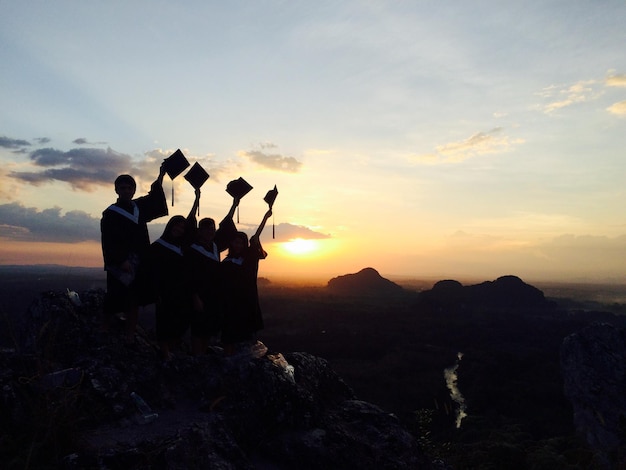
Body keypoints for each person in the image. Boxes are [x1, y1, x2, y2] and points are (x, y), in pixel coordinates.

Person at [100, 164, 168, 342]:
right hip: (120, 263)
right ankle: (104, 329)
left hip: (140, 261)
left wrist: (161, 175)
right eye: (122, 188)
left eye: (129, 188)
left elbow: (154, 198)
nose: (126, 190)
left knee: (134, 300)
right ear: (116, 190)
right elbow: (108, 239)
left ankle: (130, 335)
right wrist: (120, 260)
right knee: (114, 297)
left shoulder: (139, 208)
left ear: (133, 190)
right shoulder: (110, 213)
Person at [185, 189, 240, 355]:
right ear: (199, 231)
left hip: (213, 294)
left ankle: (203, 353)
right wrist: (195, 297)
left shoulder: (215, 246)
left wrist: (234, 204)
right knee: (198, 326)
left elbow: (227, 225)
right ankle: (196, 356)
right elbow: (189, 275)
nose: (210, 231)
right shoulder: (192, 249)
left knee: (208, 325)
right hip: (198, 294)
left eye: (212, 229)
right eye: (206, 229)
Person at [220, 208, 273, 356]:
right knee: (228, 334)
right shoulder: (226, 261)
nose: (238, 245)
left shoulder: (248, 258)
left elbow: (255, 238)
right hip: (229, 302)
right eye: (235, 242)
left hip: (246, 301)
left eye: (241, 243)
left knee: (244, 333)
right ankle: (228, 359)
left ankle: (244, 361)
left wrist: (265, 218)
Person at [147, 215, 191, 361]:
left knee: (181, 321)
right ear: (170, 226)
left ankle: (171, 348)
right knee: (164, 321)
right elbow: (151, 271)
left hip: (181, 291)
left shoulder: (183, 248)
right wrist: (155, 292)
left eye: (182, 228)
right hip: (164, 290)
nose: (179, 229)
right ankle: (165, 353)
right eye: (177, 225)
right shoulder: (157, 246)